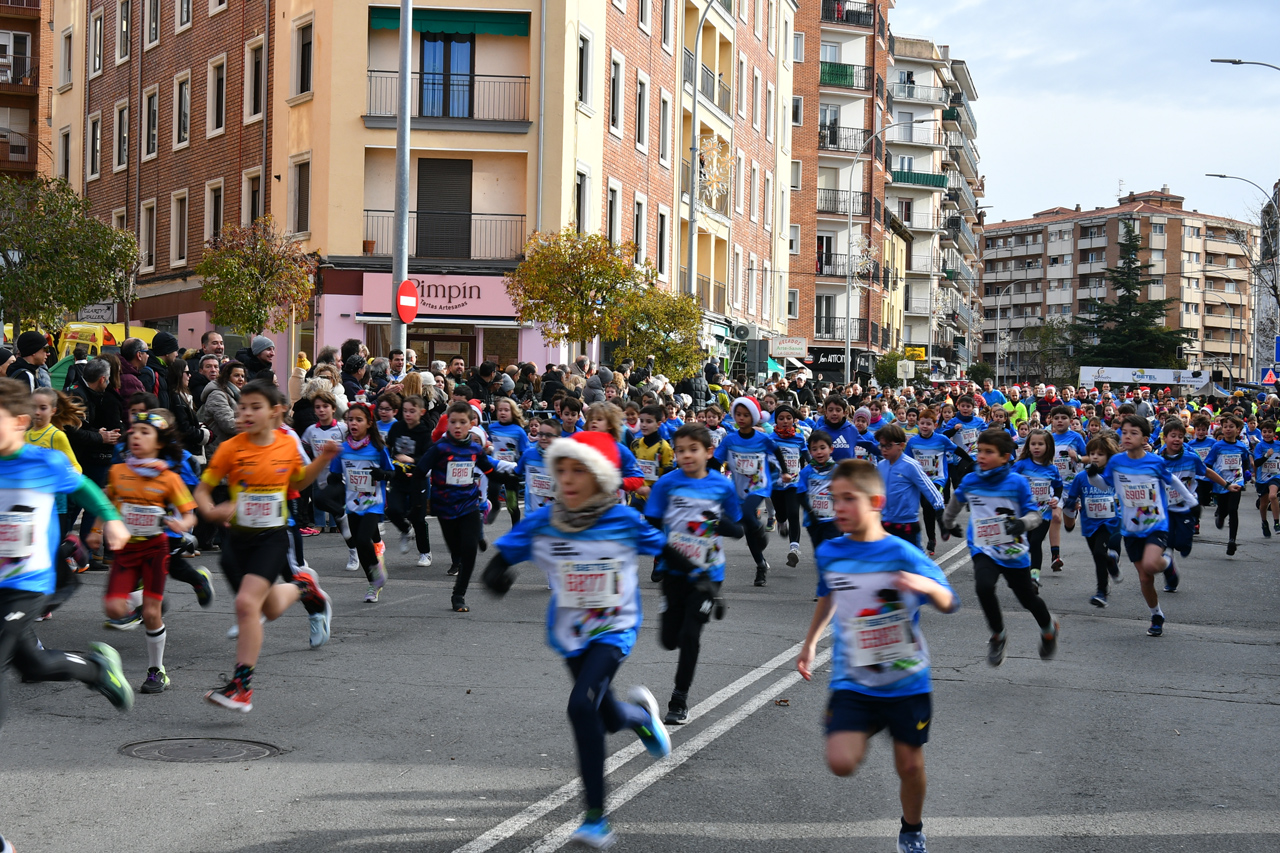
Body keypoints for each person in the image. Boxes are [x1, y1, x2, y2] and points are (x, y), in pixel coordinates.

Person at [481, 431, 677, 849]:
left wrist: (696, 586)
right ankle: (642, 719)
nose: (567, 479)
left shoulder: (623, 520)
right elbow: (502, 558)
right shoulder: (545, 521)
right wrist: (496, 575)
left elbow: (668, 551)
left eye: (578, 470)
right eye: (562, 470)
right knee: (606, 715)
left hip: (615, 628)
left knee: (580, 706)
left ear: (600, 477)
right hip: (571, 634)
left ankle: (595, 819)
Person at [796, 459, 959, 853]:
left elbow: (949, 600)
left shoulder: (902, 553)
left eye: (848, 499)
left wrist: (923, 585)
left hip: (906, 680)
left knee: (910, 765)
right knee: (841, 762)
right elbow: (829, 594)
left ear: (876, 502)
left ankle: (911, 830)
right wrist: (810, 642)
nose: (838, 507)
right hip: (854, 678)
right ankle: (867, 721)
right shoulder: (831, 551)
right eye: (834, 499)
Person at [0, 377, 135, 762]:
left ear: (19, 422)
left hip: (27, 583)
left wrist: (111, 519)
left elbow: (83, 487)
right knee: (33, 665)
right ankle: (96, 669)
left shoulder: (44, 461)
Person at [195, 380, 336, 712]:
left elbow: (298, 481)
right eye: (242, 407)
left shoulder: (286, 445)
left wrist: (323, 459)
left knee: (247, 605)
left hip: (270, 538)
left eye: (254, 407)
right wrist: (212, 511)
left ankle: (241, 687)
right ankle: (304, 588)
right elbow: (202, 490)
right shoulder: (231, 448)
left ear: (276, 412)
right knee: (267, 609)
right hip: (236, 541)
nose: (245, 413)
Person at [645, 422, 743, 724]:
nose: (686, 455)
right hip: (674, 571)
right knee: (669, 640)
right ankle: (705, 603)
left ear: (709, 452)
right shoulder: (666, 484)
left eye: (693, 450)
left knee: (690, 635)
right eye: (680, 450)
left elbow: (737, 527)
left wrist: (714, 524)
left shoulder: (722, 485)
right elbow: (652, 529)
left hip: (709, 574)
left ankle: (679, 699)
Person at [97, 409, 198, 694]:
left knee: (153, 614)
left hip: (155, 549)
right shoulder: (118, 472)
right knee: (114, 609)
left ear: (160, 442)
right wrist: (95, 530)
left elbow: (189, 514)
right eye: (134, 432)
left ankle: (157, 671)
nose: (137, 437)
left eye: (145, 433)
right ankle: (138, 603)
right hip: (126, 550)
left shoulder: (169, 478)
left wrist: (182, 524)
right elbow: (105, 503)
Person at [942, 428, 1059, 665]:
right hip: (983, 547)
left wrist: (1022, 524)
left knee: (1027, 599)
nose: (981, 456)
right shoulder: (971, 480)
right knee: (984, 586)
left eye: (989, 452)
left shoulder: (1017, 482)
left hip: (1012, 551)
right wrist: (948, 524)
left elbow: (1034, 515)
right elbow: (956, 502)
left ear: (1005, 457)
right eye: (979, 451)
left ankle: (1049, 628)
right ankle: (998, 635)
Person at [1085, 414, 1199, 637]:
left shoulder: (1155, 461)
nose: (1127, 436)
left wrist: (1192, 502)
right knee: (1145, 578)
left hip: (1156, 524)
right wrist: (1091, 475)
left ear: (1145, 438)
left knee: (1150, 564)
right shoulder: (1116, 462)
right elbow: (1104, 485)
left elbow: (1173, 480)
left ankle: (1167, 563)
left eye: (1133, 433)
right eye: (1124, 432)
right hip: (1131, 529)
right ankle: (1156, 614)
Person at [415, 401, 513, 612]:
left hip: (469, 504)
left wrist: (510, 479)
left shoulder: (475, 449)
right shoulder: (439, 449)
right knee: (456, 550)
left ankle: (458, 595)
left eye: (462, 422)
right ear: (447, 423)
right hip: (445, 508)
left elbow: (490, 472)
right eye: (453, 422)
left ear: (471, 424)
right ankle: (470, 543)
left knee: (469, 552)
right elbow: (419, 472)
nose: (457, 426)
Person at [714, 396, 790, 586]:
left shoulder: (762, 438)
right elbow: (715, 461)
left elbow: (777, 451)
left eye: (746, 415)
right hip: (738, 487)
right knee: (747, 528)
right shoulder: (730, 439)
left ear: (754, 417)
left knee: (748, 515)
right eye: (738, 414)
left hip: (759, 485)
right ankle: (761, 565)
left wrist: (785, 472)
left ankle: (759, 529)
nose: (741, 418)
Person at [329, 402, 393, 603]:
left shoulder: (378, 448)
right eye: (350, 419)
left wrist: (382, 474)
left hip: (374, 503)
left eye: (359, 420)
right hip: (352, 504)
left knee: (364, 539)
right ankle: (374, 582)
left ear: (369, 423)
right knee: (359, 544)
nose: (353, 423)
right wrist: (332, 484)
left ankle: (377, 574)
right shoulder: (342, 449)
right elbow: (334, 474)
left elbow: (391, 472)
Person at [1062, 435, 1123, 608]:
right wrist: (1071, 506)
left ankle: (1101, 592)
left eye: (1100, 454)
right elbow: (1072, 498)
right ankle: (1110, 564)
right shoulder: (1081, 477)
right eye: (1092, 453)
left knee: (1099, 553)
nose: (1095, 457)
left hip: (1110, 522)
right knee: (1099, 557)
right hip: (1089, 523)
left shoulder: (1114, 475)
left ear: (1109, 457)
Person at [877, 423, 944, 551]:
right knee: (888, 560)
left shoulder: (911, 465)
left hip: (907, 524)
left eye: (888, 445)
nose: (884, 449)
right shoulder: (881, 466)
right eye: (882, 445)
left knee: (916, 560)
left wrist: (940, 512)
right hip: (887, 523)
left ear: (901, 445)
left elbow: (928, 487)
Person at [1011, 429, 1064, 587]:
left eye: (1040, 444)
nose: (1036, 447)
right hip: (1024, 514)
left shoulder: (1052, 469)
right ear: (1028, 445)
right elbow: (1009, 480)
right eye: (1033, 443)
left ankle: (1034, 578)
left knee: (1035, 543)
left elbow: (1058, 487)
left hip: (1043, 514)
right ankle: (1020, 572)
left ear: (1048, 447)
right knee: (1024, 544)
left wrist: (1055, 499)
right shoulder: (1021, 465)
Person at [386, 394, 434, 567]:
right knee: (393, 510)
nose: (408, 414)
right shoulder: (397, 427)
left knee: (418, 517)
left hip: (417, 479)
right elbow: (388, 448)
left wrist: (412, 460)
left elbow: (429, 456)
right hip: (398, 478)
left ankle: (425, 552)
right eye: (405, 411)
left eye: (412, 411)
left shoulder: (424, 432)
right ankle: (405, 529)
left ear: (421, 412)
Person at [1204, 414, 1252, 556]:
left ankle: (1232, 541)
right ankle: (1220, 516)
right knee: (1224, 508)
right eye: (1225, 427)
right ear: (1222, 429)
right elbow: (1208, 463)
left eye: (1231, 427)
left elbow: (1245, 461)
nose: (1228, 429)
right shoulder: (1217, 446)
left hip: (1236, 481)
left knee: (1233, 509)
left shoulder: (1241, 446)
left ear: (1238, 430)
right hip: (1221, 483)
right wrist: (1209, 479)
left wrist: (1247, 471)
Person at [771, 405, 809, 566]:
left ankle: (794, 549)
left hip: (794, 483)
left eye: (788, 418)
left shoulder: (799, 438)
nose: (785, 421)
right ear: (776, 421)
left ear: (794, 420)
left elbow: (807, 455)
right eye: (781, 418)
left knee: (793, 513)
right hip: (775, 484)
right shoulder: (770, 439)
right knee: (781, 514)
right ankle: (780, 521)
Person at [197, 360, 245, 458]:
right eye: (236, 375)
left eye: (242, 376)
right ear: (226, 377)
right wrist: (251, 426)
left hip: (231, 450)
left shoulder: (237, 395)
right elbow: (228, 424)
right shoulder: (217, 394)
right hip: (217, 451)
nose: (240, 379)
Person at [1255, 420, 1280, 537]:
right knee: (1263, 504)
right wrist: (1266, 456)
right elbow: (1257, 463)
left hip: (1275, 475)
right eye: (1264, 432)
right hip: (1262, 478)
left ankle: (1276, 523)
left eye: (1270, 432)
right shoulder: (1259, 446)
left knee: (1273, 496)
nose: (1267, 434)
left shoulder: (1278, 445)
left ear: (1274, 433)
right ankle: (1264, 522)